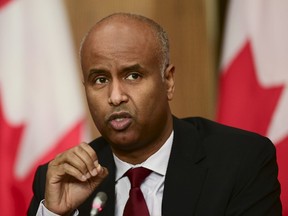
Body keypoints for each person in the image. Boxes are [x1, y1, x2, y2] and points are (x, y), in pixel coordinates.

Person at [27, 13, 282, 216]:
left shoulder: (240, 162)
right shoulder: (58, 181)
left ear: (168, 81)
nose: (115, 96)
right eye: (100, 79)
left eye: (133, 75)